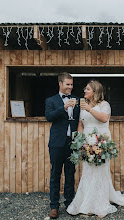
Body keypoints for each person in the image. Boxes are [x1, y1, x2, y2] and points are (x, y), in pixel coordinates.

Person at [67, 80, 124, 218]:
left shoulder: (104, 105)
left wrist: (90, 109)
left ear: (95, 92)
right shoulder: (83, 106)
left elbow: (104, 119)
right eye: (85, 89)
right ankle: (87, 204)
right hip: (87, 142)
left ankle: (100, 204)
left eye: (87, 89)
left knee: (101, 172)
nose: (84, 91)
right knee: (88, 172)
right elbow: (81, 124)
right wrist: (80, 141)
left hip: (101, 141)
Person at [45, 73, 80, 219]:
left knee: (70, 173)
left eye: (71, 85)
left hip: (72, 142)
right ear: (60, 84)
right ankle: (54, 206)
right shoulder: (51, 100)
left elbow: (81, 119)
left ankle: (70, 203)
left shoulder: (78, 100)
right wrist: (64, 107)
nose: (70, 87)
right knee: (55, 174)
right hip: (57, 143)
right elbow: (49, 117)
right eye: (67, 84)